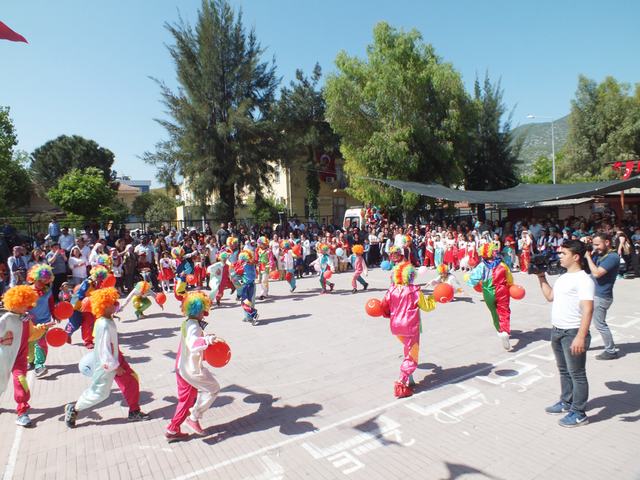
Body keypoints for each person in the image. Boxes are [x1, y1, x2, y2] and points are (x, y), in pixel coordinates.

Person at [64, 287, 150, 428]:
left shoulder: (106, 318)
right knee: (100, 393)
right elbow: (103, 349)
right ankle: (74, 408)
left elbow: (120, 309)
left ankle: (134, 411)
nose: (115, 304)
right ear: (103, 306)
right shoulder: (103, 323)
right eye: (112, 303)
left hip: (115, 357)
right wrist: (115, 367)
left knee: (132, 380)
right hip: (107, 362)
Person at [536, 240, 594, 427]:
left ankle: (579, 413)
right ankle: (566, 402)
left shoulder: (584, 279)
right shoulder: (563, 277)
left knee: (577, 374)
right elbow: (550, 297)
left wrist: (580, 336)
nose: (559, 256)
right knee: (564, 371)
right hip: (557, 330)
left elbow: (588, 310)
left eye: (563, 253)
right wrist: (540, 277)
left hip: (573, 332)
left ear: (576, 257)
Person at [165, 291, 222, 441]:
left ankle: (174, 429)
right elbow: (192, 343)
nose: (205, 312)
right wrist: (208, 340)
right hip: (189, 369)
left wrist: (205, 338)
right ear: (199, 309)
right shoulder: (193, 326)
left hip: (182, 365)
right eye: (204, 308)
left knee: (187, 399)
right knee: (212, 389)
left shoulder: (188, 322)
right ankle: (191, 419)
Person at [381, 261, 436, 398]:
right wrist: (434, 297)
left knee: (408, 349)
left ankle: (410, 379)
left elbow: (384, 306)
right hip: (410, 327)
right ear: (410, 275)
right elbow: (427, 307)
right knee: (412, 356)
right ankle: (401, 382)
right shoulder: (413, 290)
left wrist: (390, 315)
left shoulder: (392, 289)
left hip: (396, 327)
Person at [0, 285, 49, 427]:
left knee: (21, 381)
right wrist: (3, 340)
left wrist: (44, 327)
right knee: (1, 383)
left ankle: (22, 412)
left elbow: (32, 335)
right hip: (4, 357)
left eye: (27, 304)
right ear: (14, 303)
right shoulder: (6, 318)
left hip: (20, 358)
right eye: (22, 304)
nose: (26, 307)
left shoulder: (26, 319)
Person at [466, 243, 514, 351]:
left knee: (494, 312)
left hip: (488, 292)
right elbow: (510, 278)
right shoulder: (502, 264)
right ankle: (505, 331)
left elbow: (472, 280)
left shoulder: (482, 266)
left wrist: (469, 279)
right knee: (504, 312)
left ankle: (499, 330)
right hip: (502, 291)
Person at [584, 233, 620, 360]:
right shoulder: (600, 254)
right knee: (585, 319)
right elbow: (588, 270)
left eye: (597, 244)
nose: (595, 247)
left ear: (607, 242)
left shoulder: (612, 257)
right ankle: (585, 343)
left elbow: (597, 273)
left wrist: (588, 257)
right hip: (593, 294)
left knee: (600, 324)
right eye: (594, 244)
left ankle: (611, 351)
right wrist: (588, 252)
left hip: (602, 296)